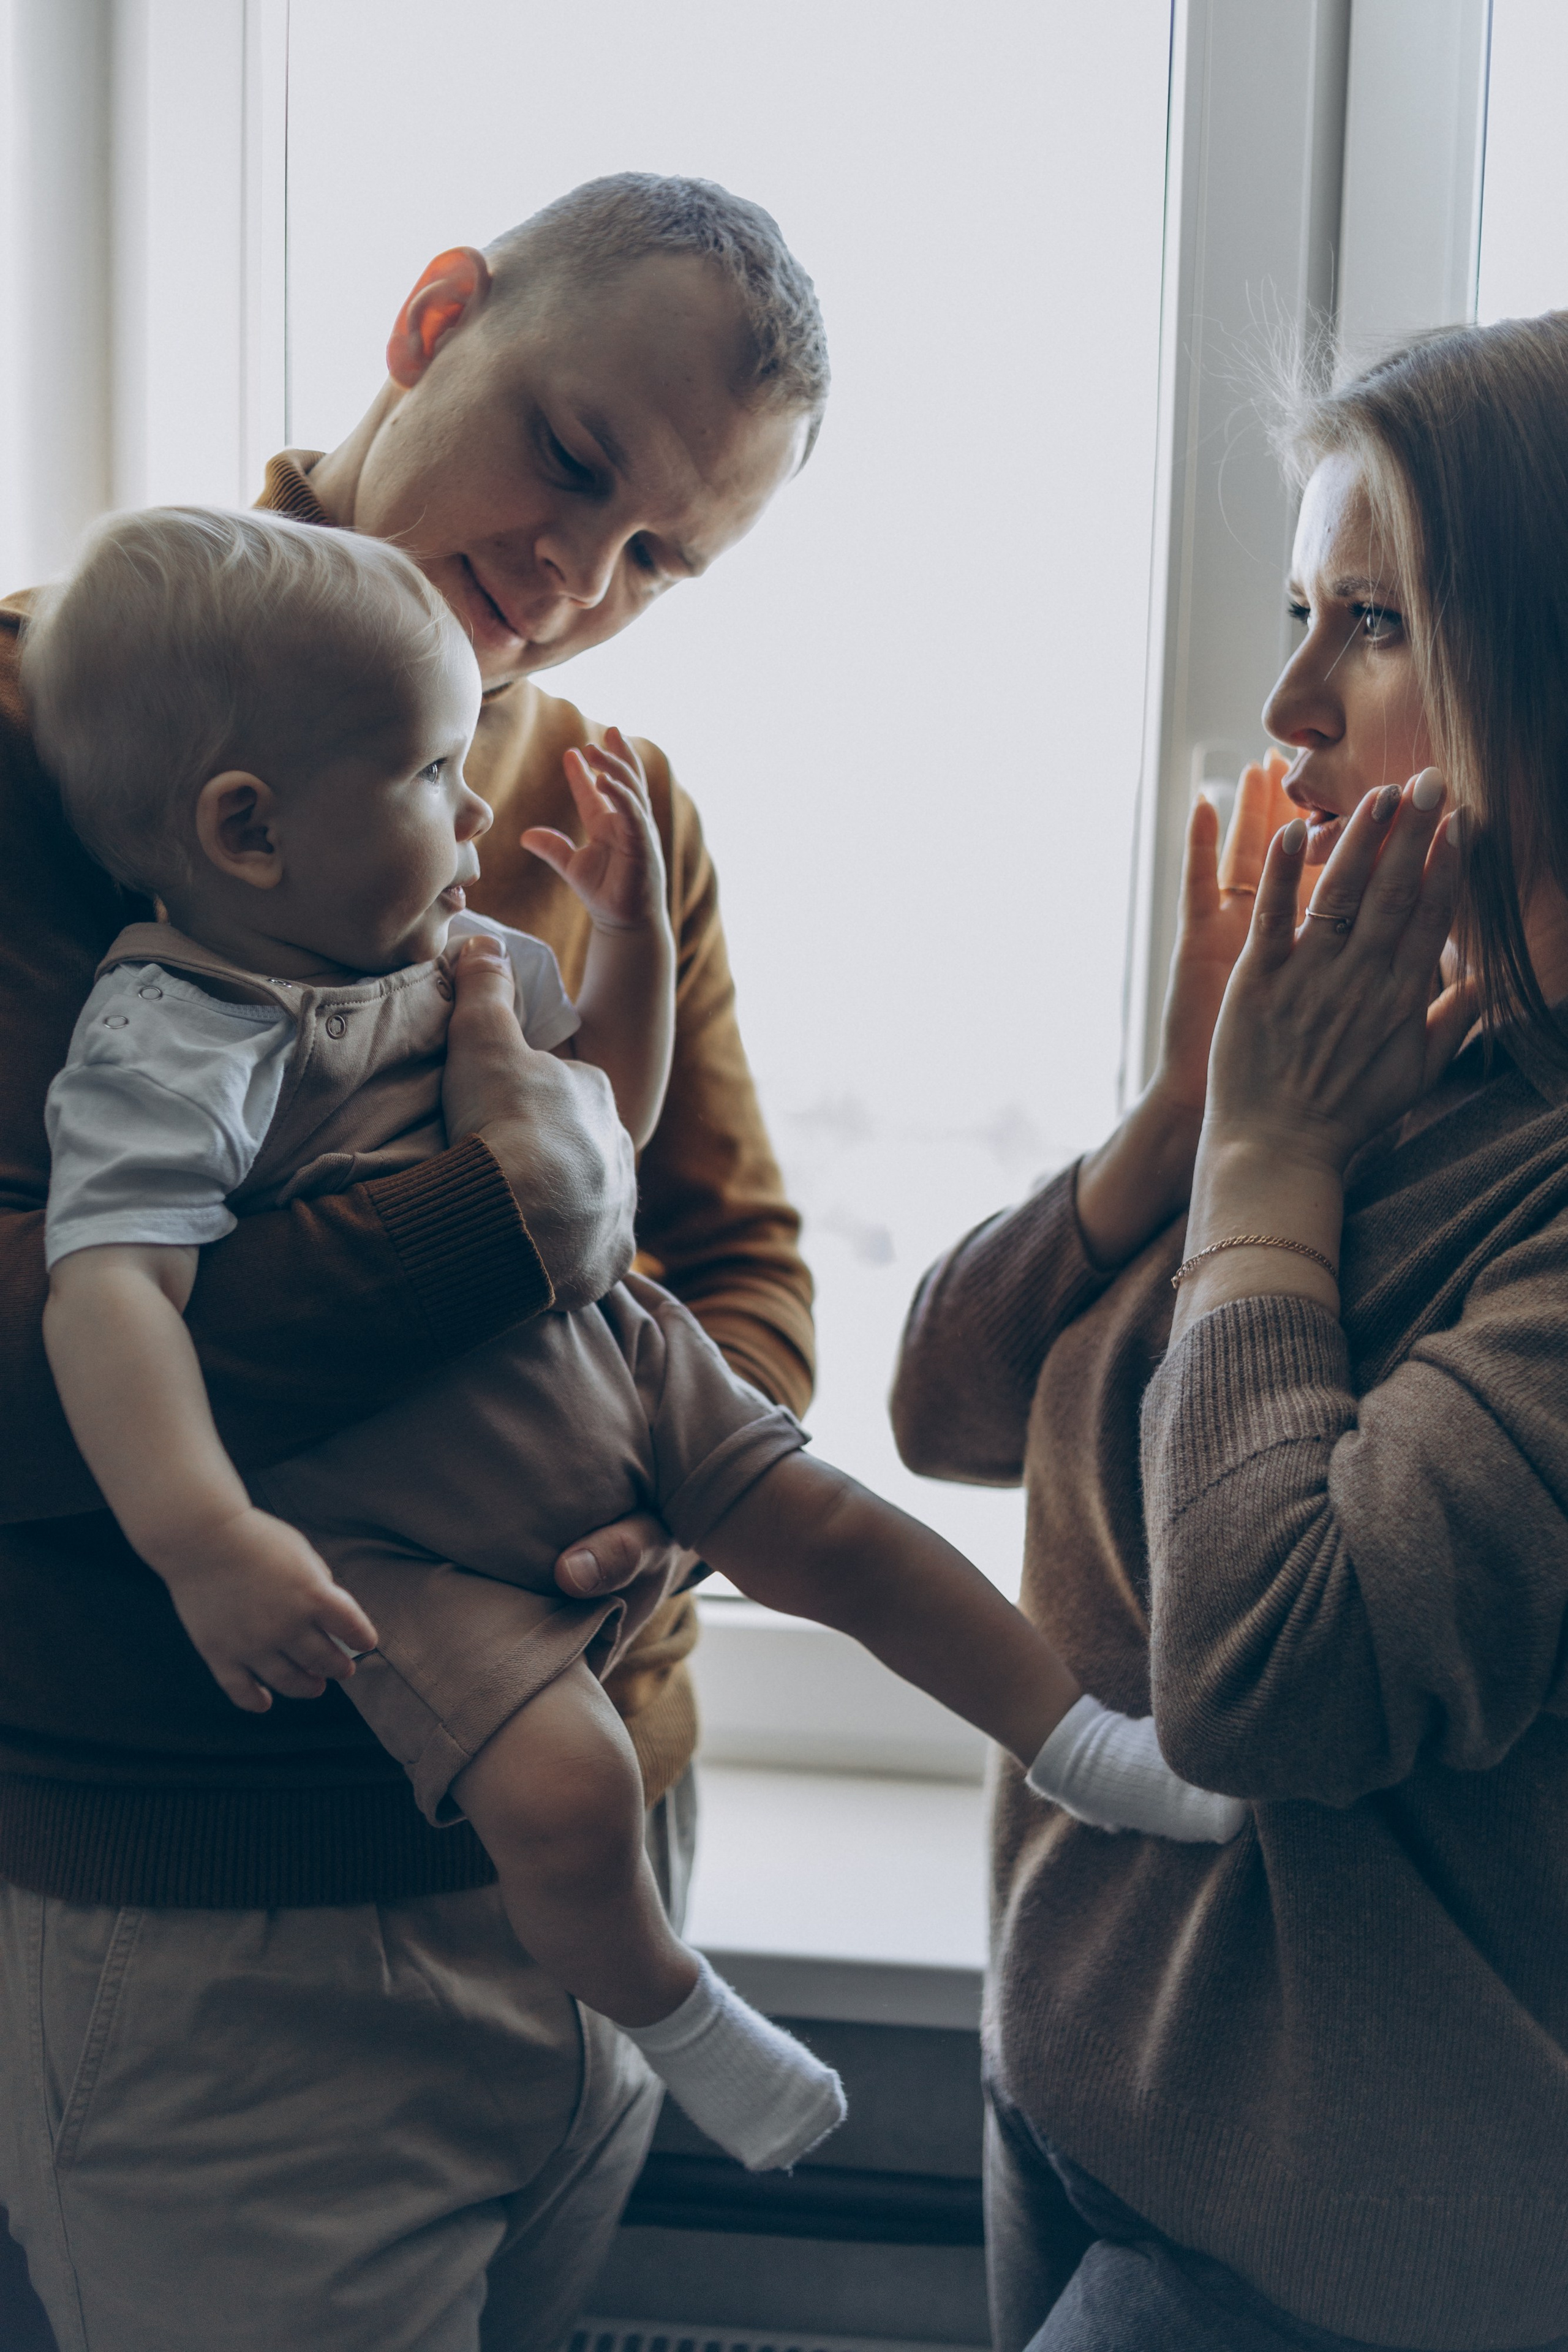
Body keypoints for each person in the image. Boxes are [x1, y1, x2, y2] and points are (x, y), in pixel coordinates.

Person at [29, 502, 1245, 2173]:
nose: (472, 808)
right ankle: (683, 2016)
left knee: (849, 1534)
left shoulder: (447, 949)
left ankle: (1079, 1742)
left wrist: (635, 939)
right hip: (409, 1525)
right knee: (565, 1797)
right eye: (426, 778)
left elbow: (603, 1131)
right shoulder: (169, 1040)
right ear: (247, 831)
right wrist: (206, 1538)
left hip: (626, 1366)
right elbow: (106, 1298)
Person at [0, 175, 820, 2352]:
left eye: (662, 557)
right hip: (234, 1931)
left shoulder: (614, 807)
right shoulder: (52, 732)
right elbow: (22, 1374)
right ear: (431, 315)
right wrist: (510, 1225)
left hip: (617, 1863)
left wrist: (654, 1512)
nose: (576, 576)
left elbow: (743, 1282)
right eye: (572, 457)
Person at [892, 311, 1568, 2351]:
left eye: (1371, 623)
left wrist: (1267, 1169)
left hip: (1331, 2255)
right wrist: (1184, 1127)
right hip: (1092, 2110)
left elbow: (1276, 1677)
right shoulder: (1384, 1064)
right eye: (1299, 607)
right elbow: (947, 1403)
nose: (1286, 699)